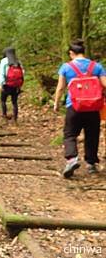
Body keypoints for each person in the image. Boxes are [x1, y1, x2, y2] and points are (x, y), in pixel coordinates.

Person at [53, 39, 106, 178]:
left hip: (74, 107)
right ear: (83, 52)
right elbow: (105, 84)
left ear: (71, 53)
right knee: (92, 135)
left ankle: (72, 159)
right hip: (93, 107)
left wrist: (56, 103)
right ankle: (91, 164)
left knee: (70, 134)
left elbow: (60, 88)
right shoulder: (97, 66)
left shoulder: (66, 67)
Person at [0, 47, 24, 123]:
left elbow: (2, 73)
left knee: (3, 100)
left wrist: (0, 84)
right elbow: (22, 73)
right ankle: (15, 119)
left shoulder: (4, 61)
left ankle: (4, 115)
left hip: (6, 84)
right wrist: (19, 85)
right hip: (15, 85)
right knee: (14, 102)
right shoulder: (18, 61)